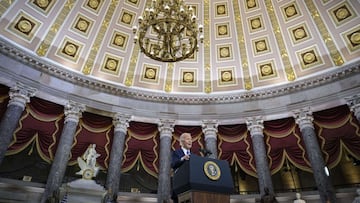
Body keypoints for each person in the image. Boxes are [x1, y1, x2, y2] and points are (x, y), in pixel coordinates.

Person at [171, 132, 193, 203]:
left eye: (191, 139)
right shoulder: (176, 153)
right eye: (187, 139)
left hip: (191, 187)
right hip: (179, 186)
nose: (190, 141)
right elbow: (173, 164)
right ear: (182, 142)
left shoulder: (193, 155)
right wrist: (182, 158)